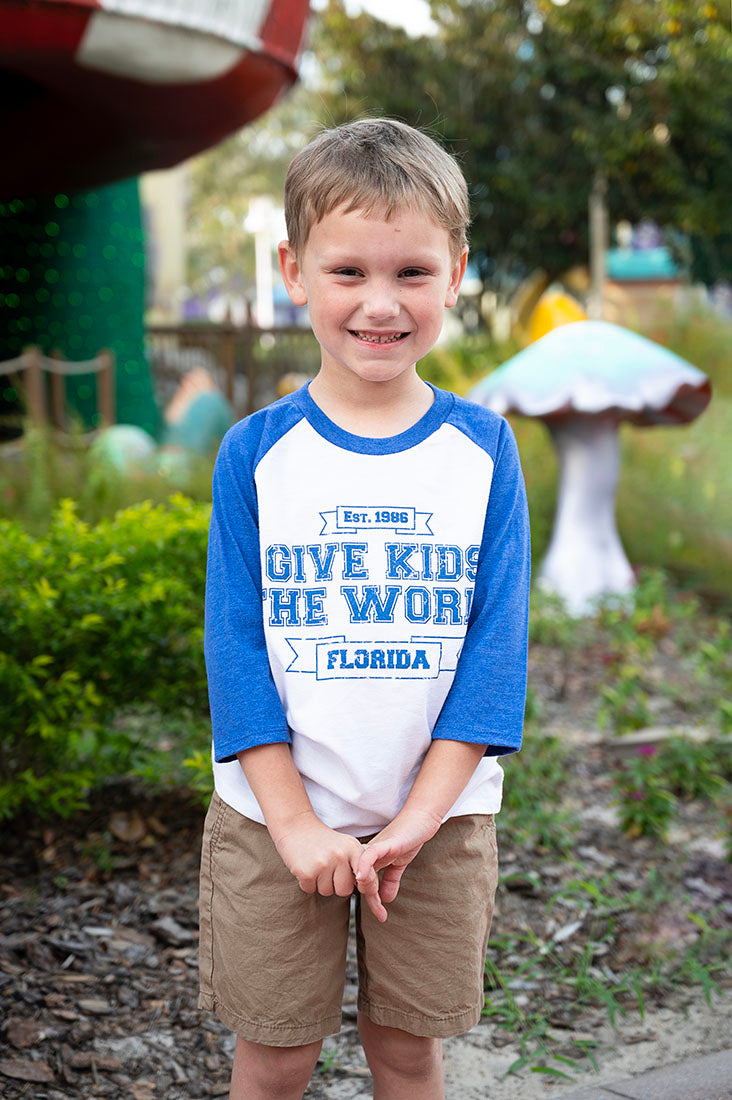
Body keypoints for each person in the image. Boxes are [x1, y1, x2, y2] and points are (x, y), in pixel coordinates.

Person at [198, 117, 531, 1100]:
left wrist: (420, 819)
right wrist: (296, 824)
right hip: (272, 821)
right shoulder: (255, 452)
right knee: (275, 1059)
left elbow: (494, 652)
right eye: (348, 272)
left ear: (457, 271)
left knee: (407, 1052)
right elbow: (236, 644)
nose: (380, 304)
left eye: (412, 274)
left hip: (441, 821)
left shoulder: (484, 450)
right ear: (295, 270)